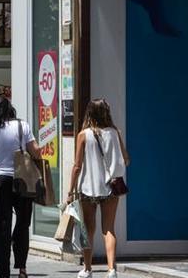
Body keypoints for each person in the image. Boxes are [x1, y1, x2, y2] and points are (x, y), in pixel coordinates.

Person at [67, 99, 130, 278]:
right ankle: (111, 270)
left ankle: (87, 269)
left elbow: (77, 166)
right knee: (108, 229)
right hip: (111, 188)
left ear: (89, 113)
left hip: (88, 188)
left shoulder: (83, 135)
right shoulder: (115, 132)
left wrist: (70, 191)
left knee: (88, 229)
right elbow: (126, 158)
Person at [0, 96, 41, 278]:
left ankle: (3, 272)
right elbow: (36, 151)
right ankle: (22, 268)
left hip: (0, 180)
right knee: (23, 223)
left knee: (2, 225)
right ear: (11, 109)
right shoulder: (23, 126)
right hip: (22, 178)